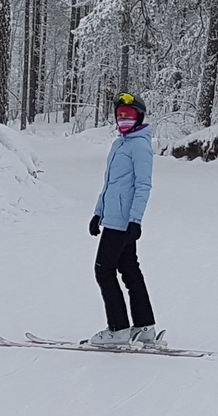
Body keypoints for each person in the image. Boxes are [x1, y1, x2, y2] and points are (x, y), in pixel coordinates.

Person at [88, 91, 159, 348]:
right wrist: (98, 213)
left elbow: (143, 186)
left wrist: (135, 221)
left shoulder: (140, 145)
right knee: (129, 270)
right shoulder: (119, 144)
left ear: (139, 116)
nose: (123, 119)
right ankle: (144, 327)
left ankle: (118, 329)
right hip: (113, 218)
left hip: (123, 222)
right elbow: (110, 184)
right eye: (120, 115)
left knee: (103, 270)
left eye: (128, 115)